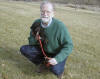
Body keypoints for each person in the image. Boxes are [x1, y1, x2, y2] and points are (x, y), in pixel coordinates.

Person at [20, 1, 73, 79]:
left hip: (57, 53)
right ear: (40, 11)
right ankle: (42, 63)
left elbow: (69, 45)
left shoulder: (60, 26)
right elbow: (31, 41)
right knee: (24, 49)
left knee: (55, 69)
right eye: (43, 11)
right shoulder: (36, 23)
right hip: (44, 52)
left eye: (48, 12)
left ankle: (60, 70)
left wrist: (57, 59)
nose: (45, 14)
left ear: (53, 13)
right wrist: (37, 39)